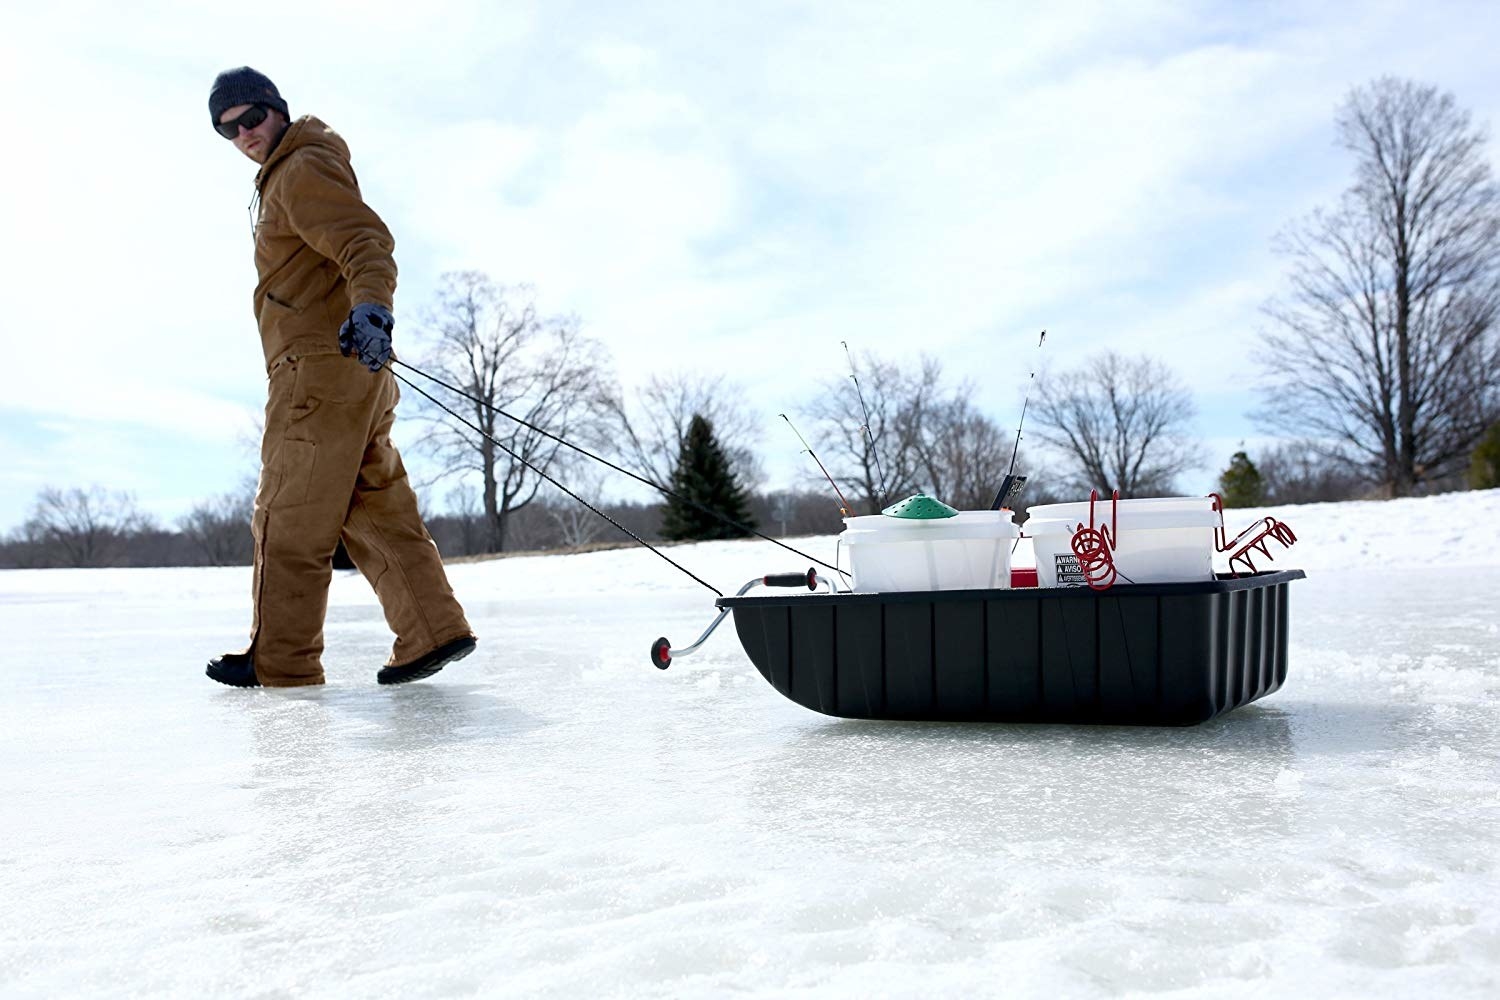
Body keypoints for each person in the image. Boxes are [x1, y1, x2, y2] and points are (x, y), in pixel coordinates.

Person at [204, 67, 476, 688]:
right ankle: (433, 630)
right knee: (371, 502)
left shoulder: (298, 168)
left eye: (252, 118)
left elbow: (364, 240)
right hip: (356, 370)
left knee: (290, 510)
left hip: (317, 371)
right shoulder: (301, 165)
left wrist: (372, 307)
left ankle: (281, 660)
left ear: (277, 109)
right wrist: (367, 319)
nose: (244, 135)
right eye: (228, 130)